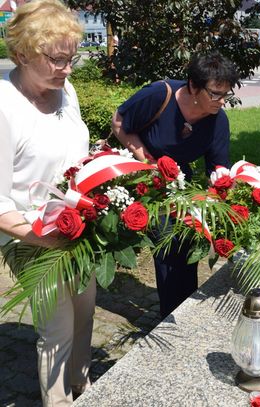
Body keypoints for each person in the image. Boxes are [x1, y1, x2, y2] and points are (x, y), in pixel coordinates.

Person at [0, 0, 94, 405]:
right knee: (57, 329)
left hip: (79, 227)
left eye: (71, 58)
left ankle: (83, 388)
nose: (67, 68)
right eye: (57, 59)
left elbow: (74, 155)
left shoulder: (64, 89)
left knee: (86, 313)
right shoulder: (5, 108)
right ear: (22, 53)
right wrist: (45, 239)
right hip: (30, 237)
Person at [111, 51, 239, 319]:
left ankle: (183, 311)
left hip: (182, 184)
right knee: (169, 246)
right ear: (193, 86)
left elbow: (217, 168)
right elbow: (119, 121)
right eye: (215, 94)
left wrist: (227, 203)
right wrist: (145, 158)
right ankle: (171, 317)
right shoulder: (160, 95)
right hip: (145, 181)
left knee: (189, 243)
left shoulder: (217, 121)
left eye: (225, 94)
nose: (221, 101)